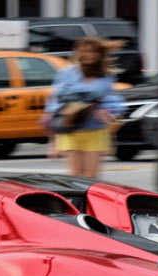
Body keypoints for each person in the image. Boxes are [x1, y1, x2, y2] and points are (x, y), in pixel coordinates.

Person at [44, 36, 124, 178]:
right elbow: (55, 101)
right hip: (70, 129)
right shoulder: (67, 73)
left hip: (94, 130)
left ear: (100, 55)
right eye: (85, 51)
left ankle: (89, 200)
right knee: (76, 176)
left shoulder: (105, 77)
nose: (89, 55)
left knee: (91, 177)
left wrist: (108, 111)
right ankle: (78, 201)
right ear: (79, 53)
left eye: (93, 51)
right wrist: (52, 141)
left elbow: (111, 99)